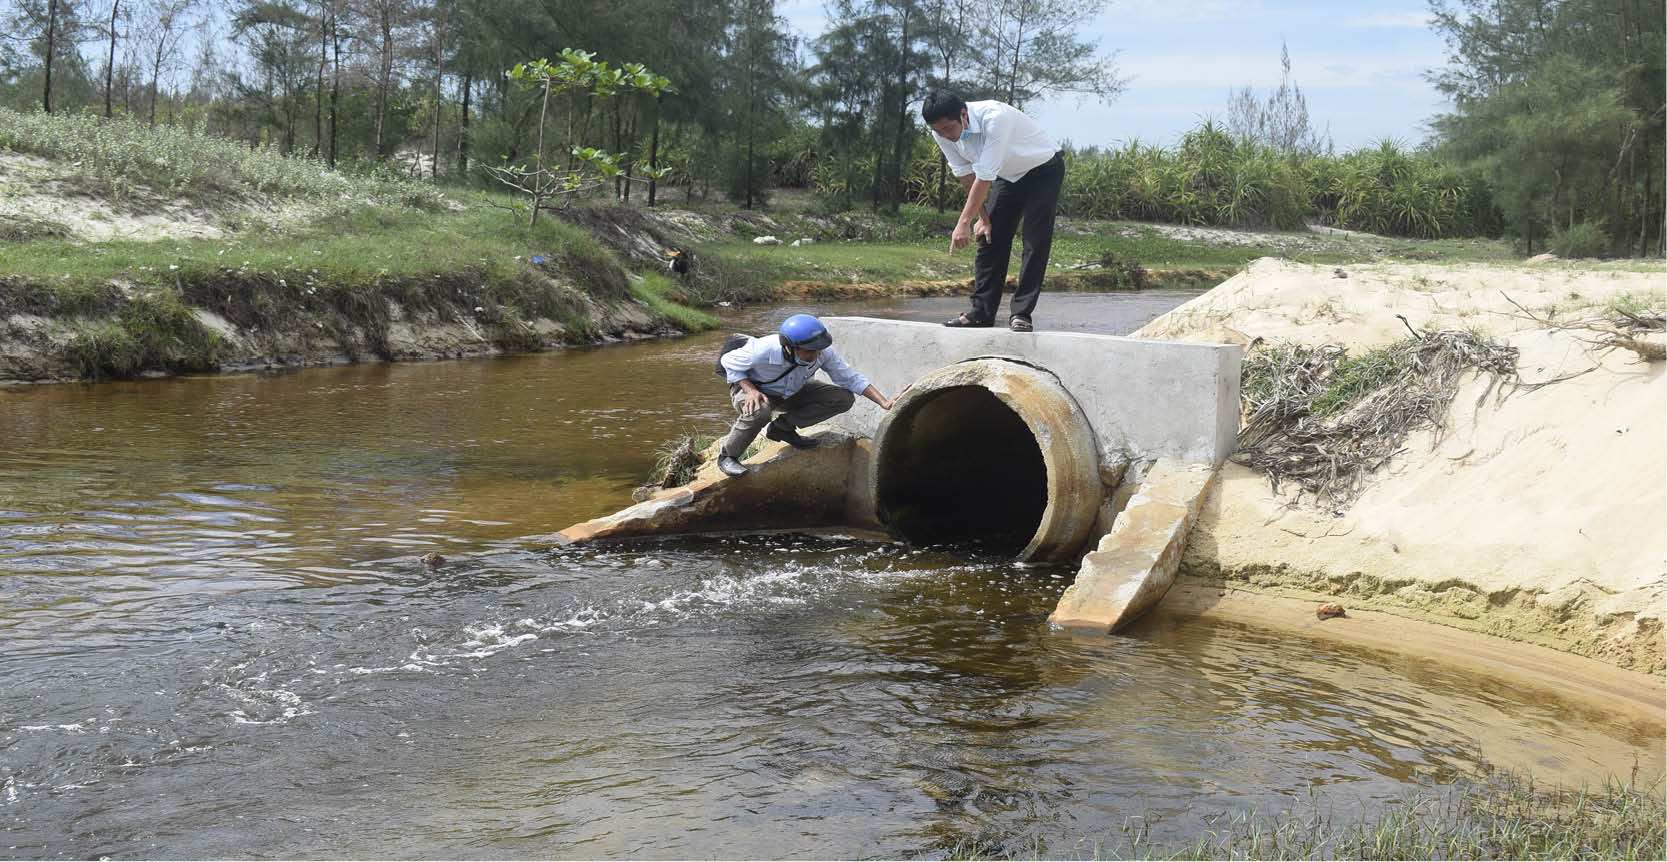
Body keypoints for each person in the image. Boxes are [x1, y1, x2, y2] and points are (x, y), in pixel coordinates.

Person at [922, 89, 1065, 333]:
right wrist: (982, 219)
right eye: (939, 131)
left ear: (963, 114)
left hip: (1043, 169)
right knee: (989, 237)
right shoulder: (941, 134)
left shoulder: (995, 118)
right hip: (1008, 175)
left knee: (1034, 240)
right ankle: (981, 313)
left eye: (949, 129)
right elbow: (966, 175)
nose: (947, 136)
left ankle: (1021, 313)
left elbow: (984, 177)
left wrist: (962, 222)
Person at [716, 313, 897, 477]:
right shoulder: (762, 349)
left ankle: (782, 428)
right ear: (790, 347)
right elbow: (727, 361)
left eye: (819, 350)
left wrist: (884, 402)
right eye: (810, 351)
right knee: (759, 411)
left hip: (791, 390)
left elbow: (851, 378)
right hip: (755, 390)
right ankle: (728, 456)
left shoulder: (822, 353)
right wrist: (750, 389)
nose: (816, 355)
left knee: (843, 398)